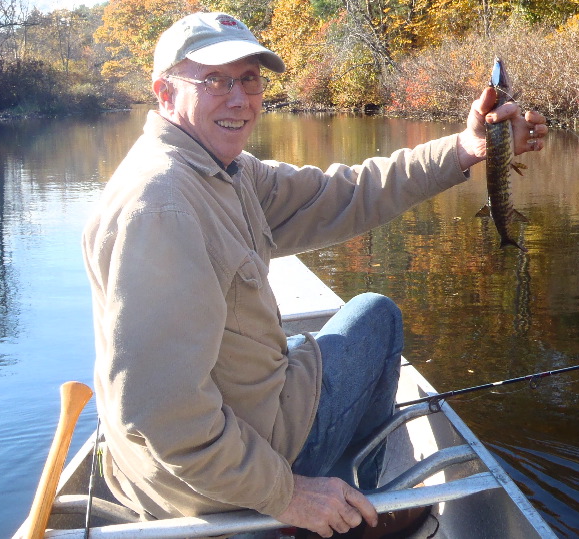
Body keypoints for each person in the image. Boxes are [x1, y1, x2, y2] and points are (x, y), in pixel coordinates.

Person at [82, 11, 547, 539]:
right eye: (214, 80)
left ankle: (345, 493)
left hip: (203, 451)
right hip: (213, 482)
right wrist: (287, 495)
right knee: (376, 317)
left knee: (316, 334)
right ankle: (356, 513)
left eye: (250, 78)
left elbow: (345, 192)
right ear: (165, 93)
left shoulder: (221, 172)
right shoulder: (162, 207)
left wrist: (465, 149)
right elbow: (160, 411)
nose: (239, 98)